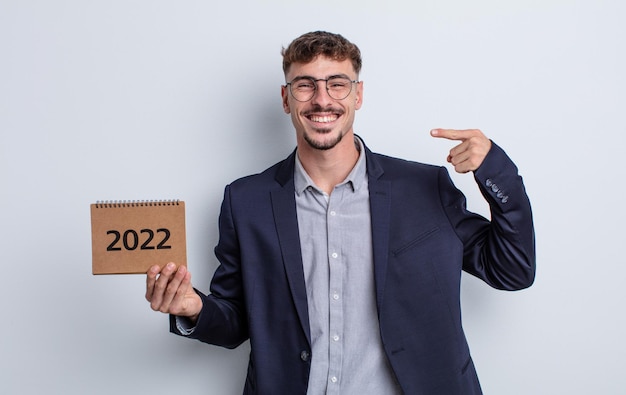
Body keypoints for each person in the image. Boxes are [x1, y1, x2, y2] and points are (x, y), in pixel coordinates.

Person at [145, 31, 535, 394]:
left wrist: (494, 170)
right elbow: (236, 320)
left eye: (337, 83)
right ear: (286, 99)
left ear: (357, 95)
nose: (322, 99)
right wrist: (194, 310)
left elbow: (512, 270)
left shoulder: (423, 188)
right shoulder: (246, 201)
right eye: (305, 85)